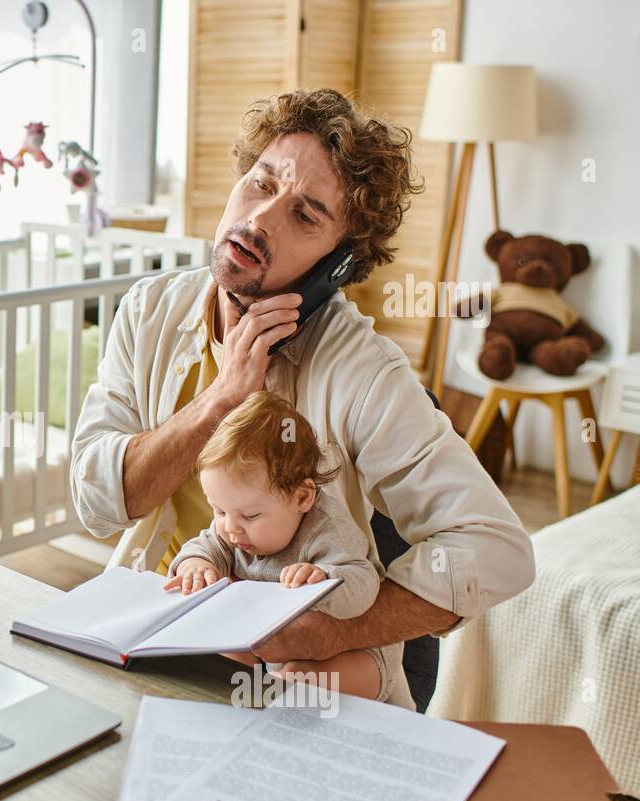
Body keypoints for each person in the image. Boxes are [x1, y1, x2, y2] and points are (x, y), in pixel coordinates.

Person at [69, 89, 535, 709]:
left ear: (337, 265)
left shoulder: (364, 372)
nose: (260, 221)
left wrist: (339, 631)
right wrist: (222, 397)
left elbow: (498, 550)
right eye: (260, 184)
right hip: (160, 632)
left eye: (305, 217)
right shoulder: (148, 311)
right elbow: (98, 503)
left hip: (301, 683)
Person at [161, 391, 405, 705]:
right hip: (276, 652)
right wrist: (196, 566)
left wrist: (323, 579)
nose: (231, 527)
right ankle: (231, 707)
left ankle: (271, 710)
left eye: (250, 516)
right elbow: (204, 546)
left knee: (293, 684)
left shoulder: (327, 529)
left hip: (355, 655)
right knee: (219, 661)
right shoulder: (233, 527)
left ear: (302, 497)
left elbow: (364, 585)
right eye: (218, 510)